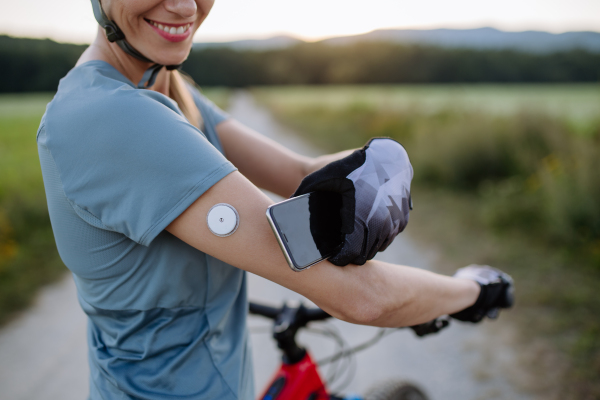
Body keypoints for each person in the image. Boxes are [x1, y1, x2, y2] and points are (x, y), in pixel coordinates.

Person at [36, 0, 514, 399]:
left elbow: (297, 173)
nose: (183, 6)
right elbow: (361, 298)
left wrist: (384, 162)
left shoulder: (162, 86)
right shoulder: (111, 118)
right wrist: (470, 290)